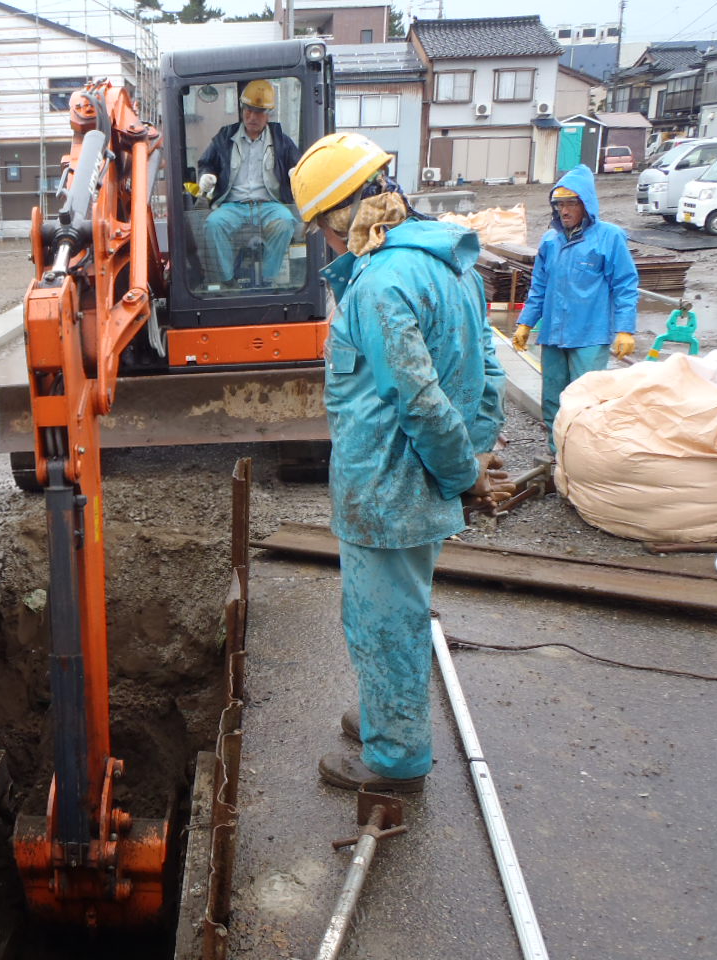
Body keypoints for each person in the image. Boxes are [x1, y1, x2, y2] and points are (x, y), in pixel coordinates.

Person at [288, 132, 514, 792]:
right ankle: (390, 713)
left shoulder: (378, 287)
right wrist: (471, 452)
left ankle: (394, 758)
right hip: (414, 488)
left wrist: (462, 474)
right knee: (398, 610)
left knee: (383, 621)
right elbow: (490, 373)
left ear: (339, 219)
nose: (324, 246)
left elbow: (419, 400)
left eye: (320, 232)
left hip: (387, 493)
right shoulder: (449, 263)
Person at [511, 164, 639, 456]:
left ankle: (584, 460)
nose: (564, 211)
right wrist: (525, 323)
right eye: (559, 204)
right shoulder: (550, 241)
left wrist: (624, 328)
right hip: (554, 335)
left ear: (586, 204)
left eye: (571, 203)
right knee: (553, 399)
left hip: (589, 336)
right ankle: (558, 455)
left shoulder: (609, 237)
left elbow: (625, 285)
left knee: (586, 401)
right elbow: (539, 287)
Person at [195, 79, 302, 286]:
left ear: (268, 114)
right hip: (233, 204)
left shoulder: (280, 139)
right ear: (243, 109)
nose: (252, 117)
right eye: (249, 110)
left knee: (286, 222)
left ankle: (268, 277)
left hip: (269, 204)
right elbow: (207, 163)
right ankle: (227, 280)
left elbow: (297, 163)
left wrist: (295, 172)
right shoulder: (225, 137)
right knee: (213, 225)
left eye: (259, 112)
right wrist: (206, 177)